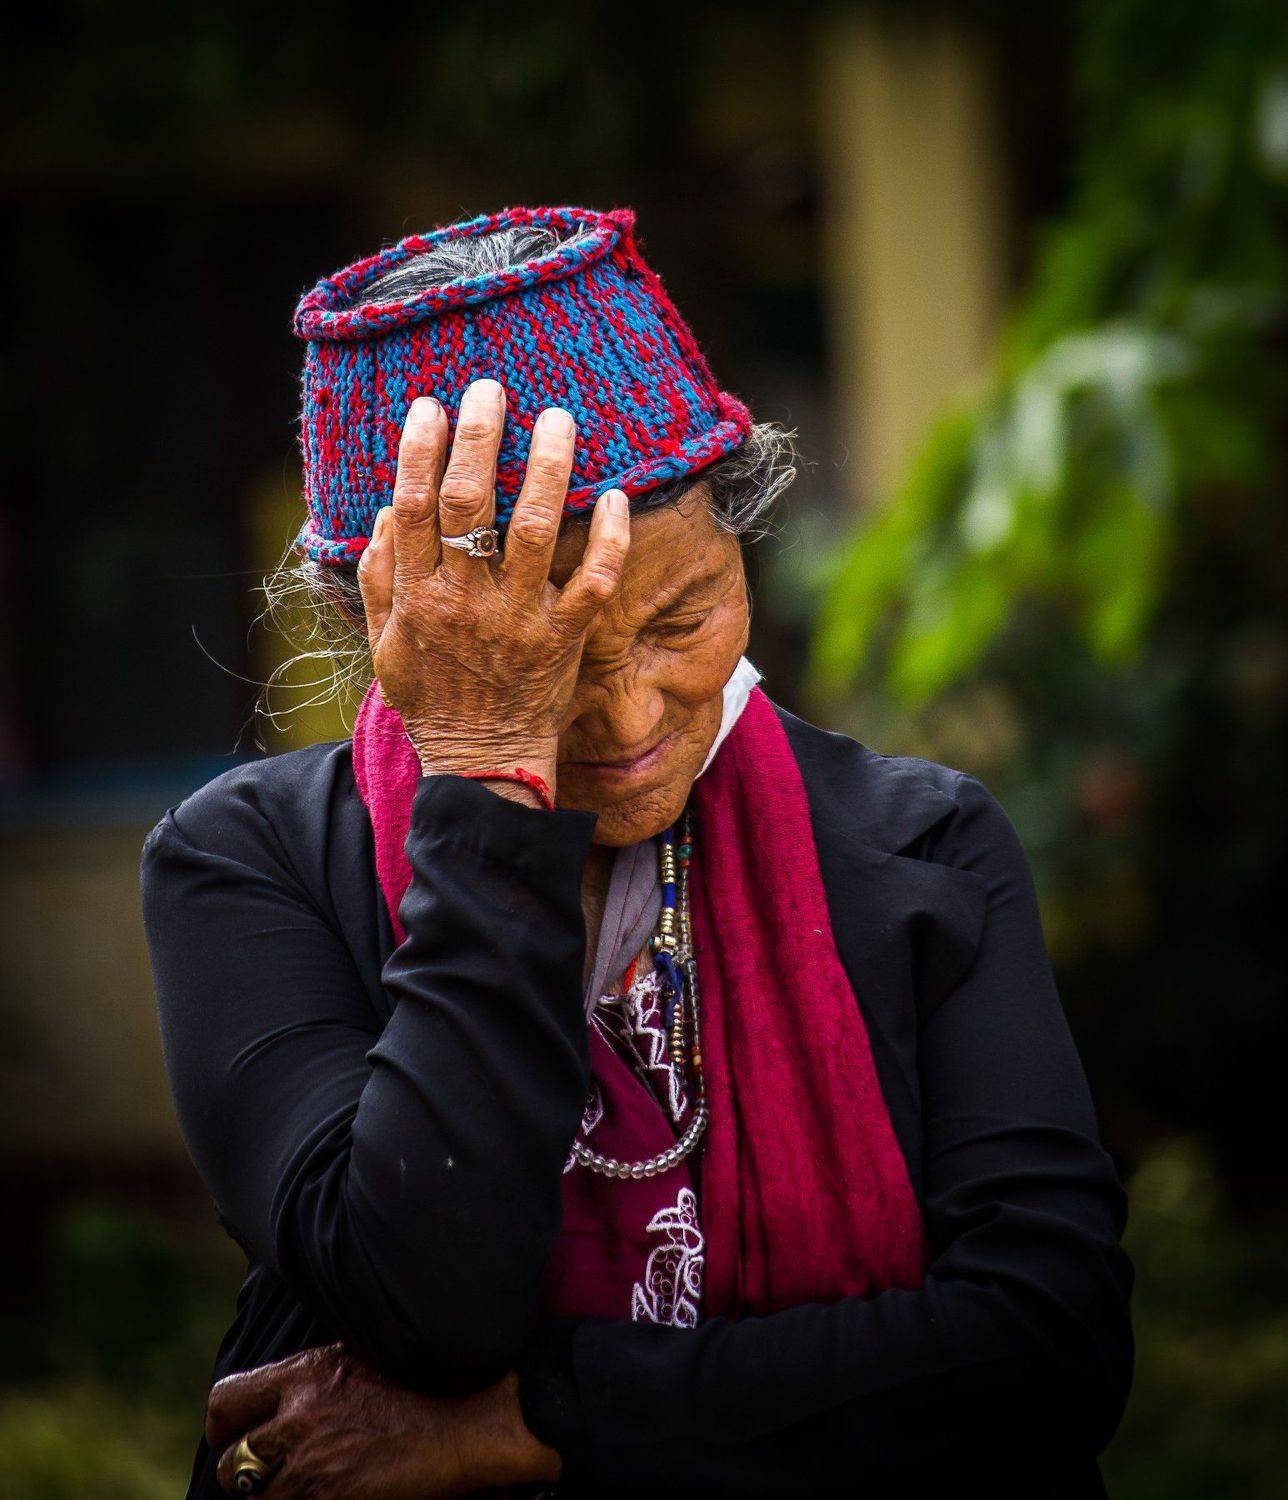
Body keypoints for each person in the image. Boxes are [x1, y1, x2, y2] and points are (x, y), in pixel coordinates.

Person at [140, 206, 1133, 1499]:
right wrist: (489, 763)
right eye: (545, 660)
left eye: (680, 620)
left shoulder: (922, 847)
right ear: (386, 627)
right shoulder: (246, 864)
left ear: (741, 544)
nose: (624, 720)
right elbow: (429, 1308)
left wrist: (533, 1421)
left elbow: (1046, 1353)